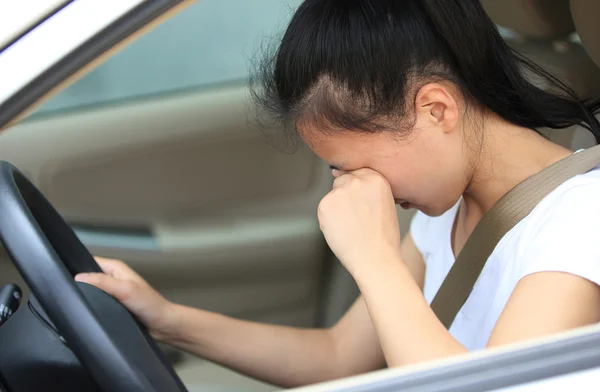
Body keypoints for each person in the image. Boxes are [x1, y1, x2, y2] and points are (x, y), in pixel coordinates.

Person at [75, 0, 600, 388]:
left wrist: (376, 260)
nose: (346, 187)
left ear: (436, 109)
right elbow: (337, 357)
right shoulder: (451, 206)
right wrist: (168, 319)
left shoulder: (581, 221)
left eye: (352, 166)